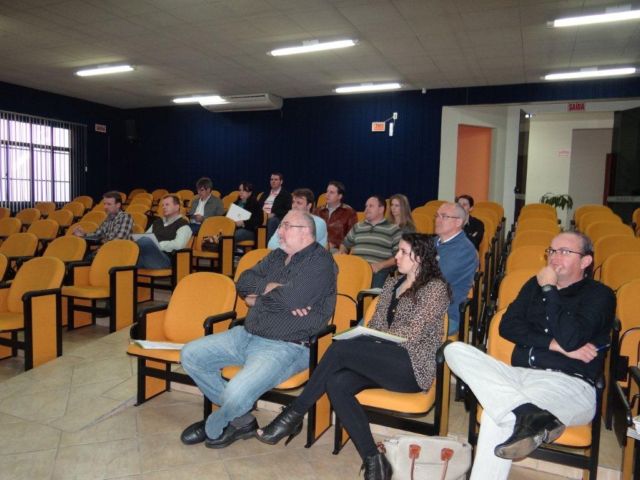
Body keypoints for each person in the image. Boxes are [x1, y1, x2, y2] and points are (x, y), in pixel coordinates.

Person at [256, 233, 450, 480]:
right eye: (398, 251)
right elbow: (377, 323)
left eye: (402, 252)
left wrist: (370, 338)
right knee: (337, 382)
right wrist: (367, 335)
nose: (396, 257)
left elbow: (412, 332)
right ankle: (374, 460)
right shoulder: (392, 283)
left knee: (340, 348)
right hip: (380, 360)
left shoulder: (435, 288)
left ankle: (294, 413)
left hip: (410, 367)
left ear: (420, 257)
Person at [444, 232, 615, 480]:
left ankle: (521, 413)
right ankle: (527, 411)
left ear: (586, 261)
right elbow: (508, 327)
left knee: (498, 417)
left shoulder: (600, 295)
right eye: (552, 250)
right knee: (454, 350)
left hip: (570, 385)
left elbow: (572, 337)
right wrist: (554, 346)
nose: (555, 257)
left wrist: (549, 288)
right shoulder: (532, 286)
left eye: (565, 252)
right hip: (519, 375)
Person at [179, 210, 337, 449]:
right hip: (245, 334)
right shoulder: (276, 256)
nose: (279, 232)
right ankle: (240, 419)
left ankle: (216, 423)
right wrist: (275, 290)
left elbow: (294, 297)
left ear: (305, 231)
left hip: (286, 346)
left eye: (285, 226)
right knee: (190, 354)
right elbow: (243, 281)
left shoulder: (321, 262)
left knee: (235, 393)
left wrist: (259, 298)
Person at [434, 202, 478, 336]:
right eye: (437, 215)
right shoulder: (433, 242)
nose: (438, 220)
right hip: (422, 308)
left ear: (458, 222)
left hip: (447, 314)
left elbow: (436, 280)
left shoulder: (464, 249)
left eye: (444, 216)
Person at [340, 195, 401, 288]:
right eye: (366, 206)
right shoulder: (358, 226)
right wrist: (342, 252)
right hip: (356, 267)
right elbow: (345, 244)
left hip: (378, 270)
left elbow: (398, 257)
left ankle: (372, 302)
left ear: (381, 209)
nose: (366, 209)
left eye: (371, 206)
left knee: (376, 280)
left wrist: (381, 265)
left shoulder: (393, 229)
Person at [135, 194, 191, 269]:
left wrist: (158, 245)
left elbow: (178, 245)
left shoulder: (183, 224)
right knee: (129, 248)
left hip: (166, 259)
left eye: (167, 204)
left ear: (177, 207)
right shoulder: (157, 222)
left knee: (144, 241)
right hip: (149, 256)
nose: (164, 207)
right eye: (163, 205)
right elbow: (145, 237)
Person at [314, 180, 358, 252]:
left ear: (339, 196)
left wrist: (335, 244)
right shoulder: (318, 211)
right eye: (327, 191)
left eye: (331, 192)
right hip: (316, 246)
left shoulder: (349, 212)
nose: (327, 195)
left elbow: (352, 237)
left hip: (336, 249)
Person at [259, 172, 291, 241]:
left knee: (272, 221)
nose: (273, 181)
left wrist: (274, 214)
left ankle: (270, 247)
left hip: (277, 218)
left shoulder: (286, 195)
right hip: (262, 216)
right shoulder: (265, 194)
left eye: (276, 180)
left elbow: (288, 210)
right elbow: (258, 207)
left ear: (281, 182)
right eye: (271, 179)